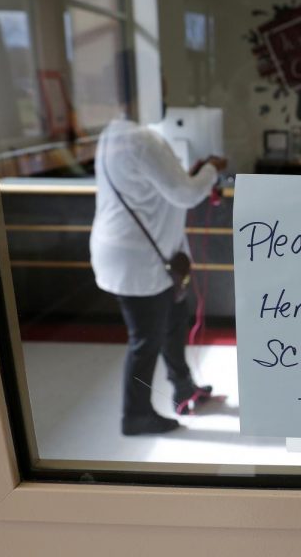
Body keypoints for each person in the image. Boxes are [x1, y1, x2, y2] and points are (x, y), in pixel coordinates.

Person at [90, 116, 227, 436]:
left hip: (135, 253)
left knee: (174, 321)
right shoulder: (143, 140)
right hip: (138, 259)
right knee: (146, 340)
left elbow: (163, 186)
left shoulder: (112, 134)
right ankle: (135, 415)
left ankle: (183, 387)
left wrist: (190, 175)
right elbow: (185, 194)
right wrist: (212, 170)